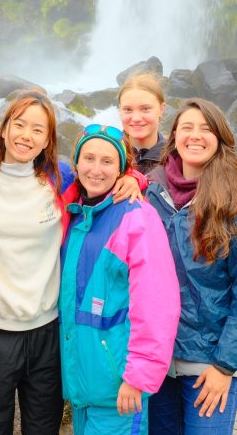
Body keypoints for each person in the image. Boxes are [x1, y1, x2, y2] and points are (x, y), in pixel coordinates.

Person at [0, 90, 144, 435]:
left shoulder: (59, 179)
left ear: (48, 139)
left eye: (38, 129)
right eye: (19, 125)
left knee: (44, 426)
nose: (26, 136)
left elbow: (100, 177)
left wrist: (132, 178)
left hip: (48, 331)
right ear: (4, 129)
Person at [145, 98, 237, 434]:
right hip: (158, 357)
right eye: (186, 127)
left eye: (205, 128)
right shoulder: (153, 192)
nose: (195, 136)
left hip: (210, 363)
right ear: (173, 137)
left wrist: (225, 366)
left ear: (220, 137)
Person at [60, 124, 180, 434]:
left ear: (121, 169)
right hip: (83, 388)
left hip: (119, 388)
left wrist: (138, 376)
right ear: (75, 164)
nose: (96, 169)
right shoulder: (75, 213)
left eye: (107, 161)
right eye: (88, 158)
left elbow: (156, 305)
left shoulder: (135, 217)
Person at [118, 73, 167, 174]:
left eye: (145, 109)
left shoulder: (175, 158)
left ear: (162, 109)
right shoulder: (107, 152)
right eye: (128, 109)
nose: (136, 118)